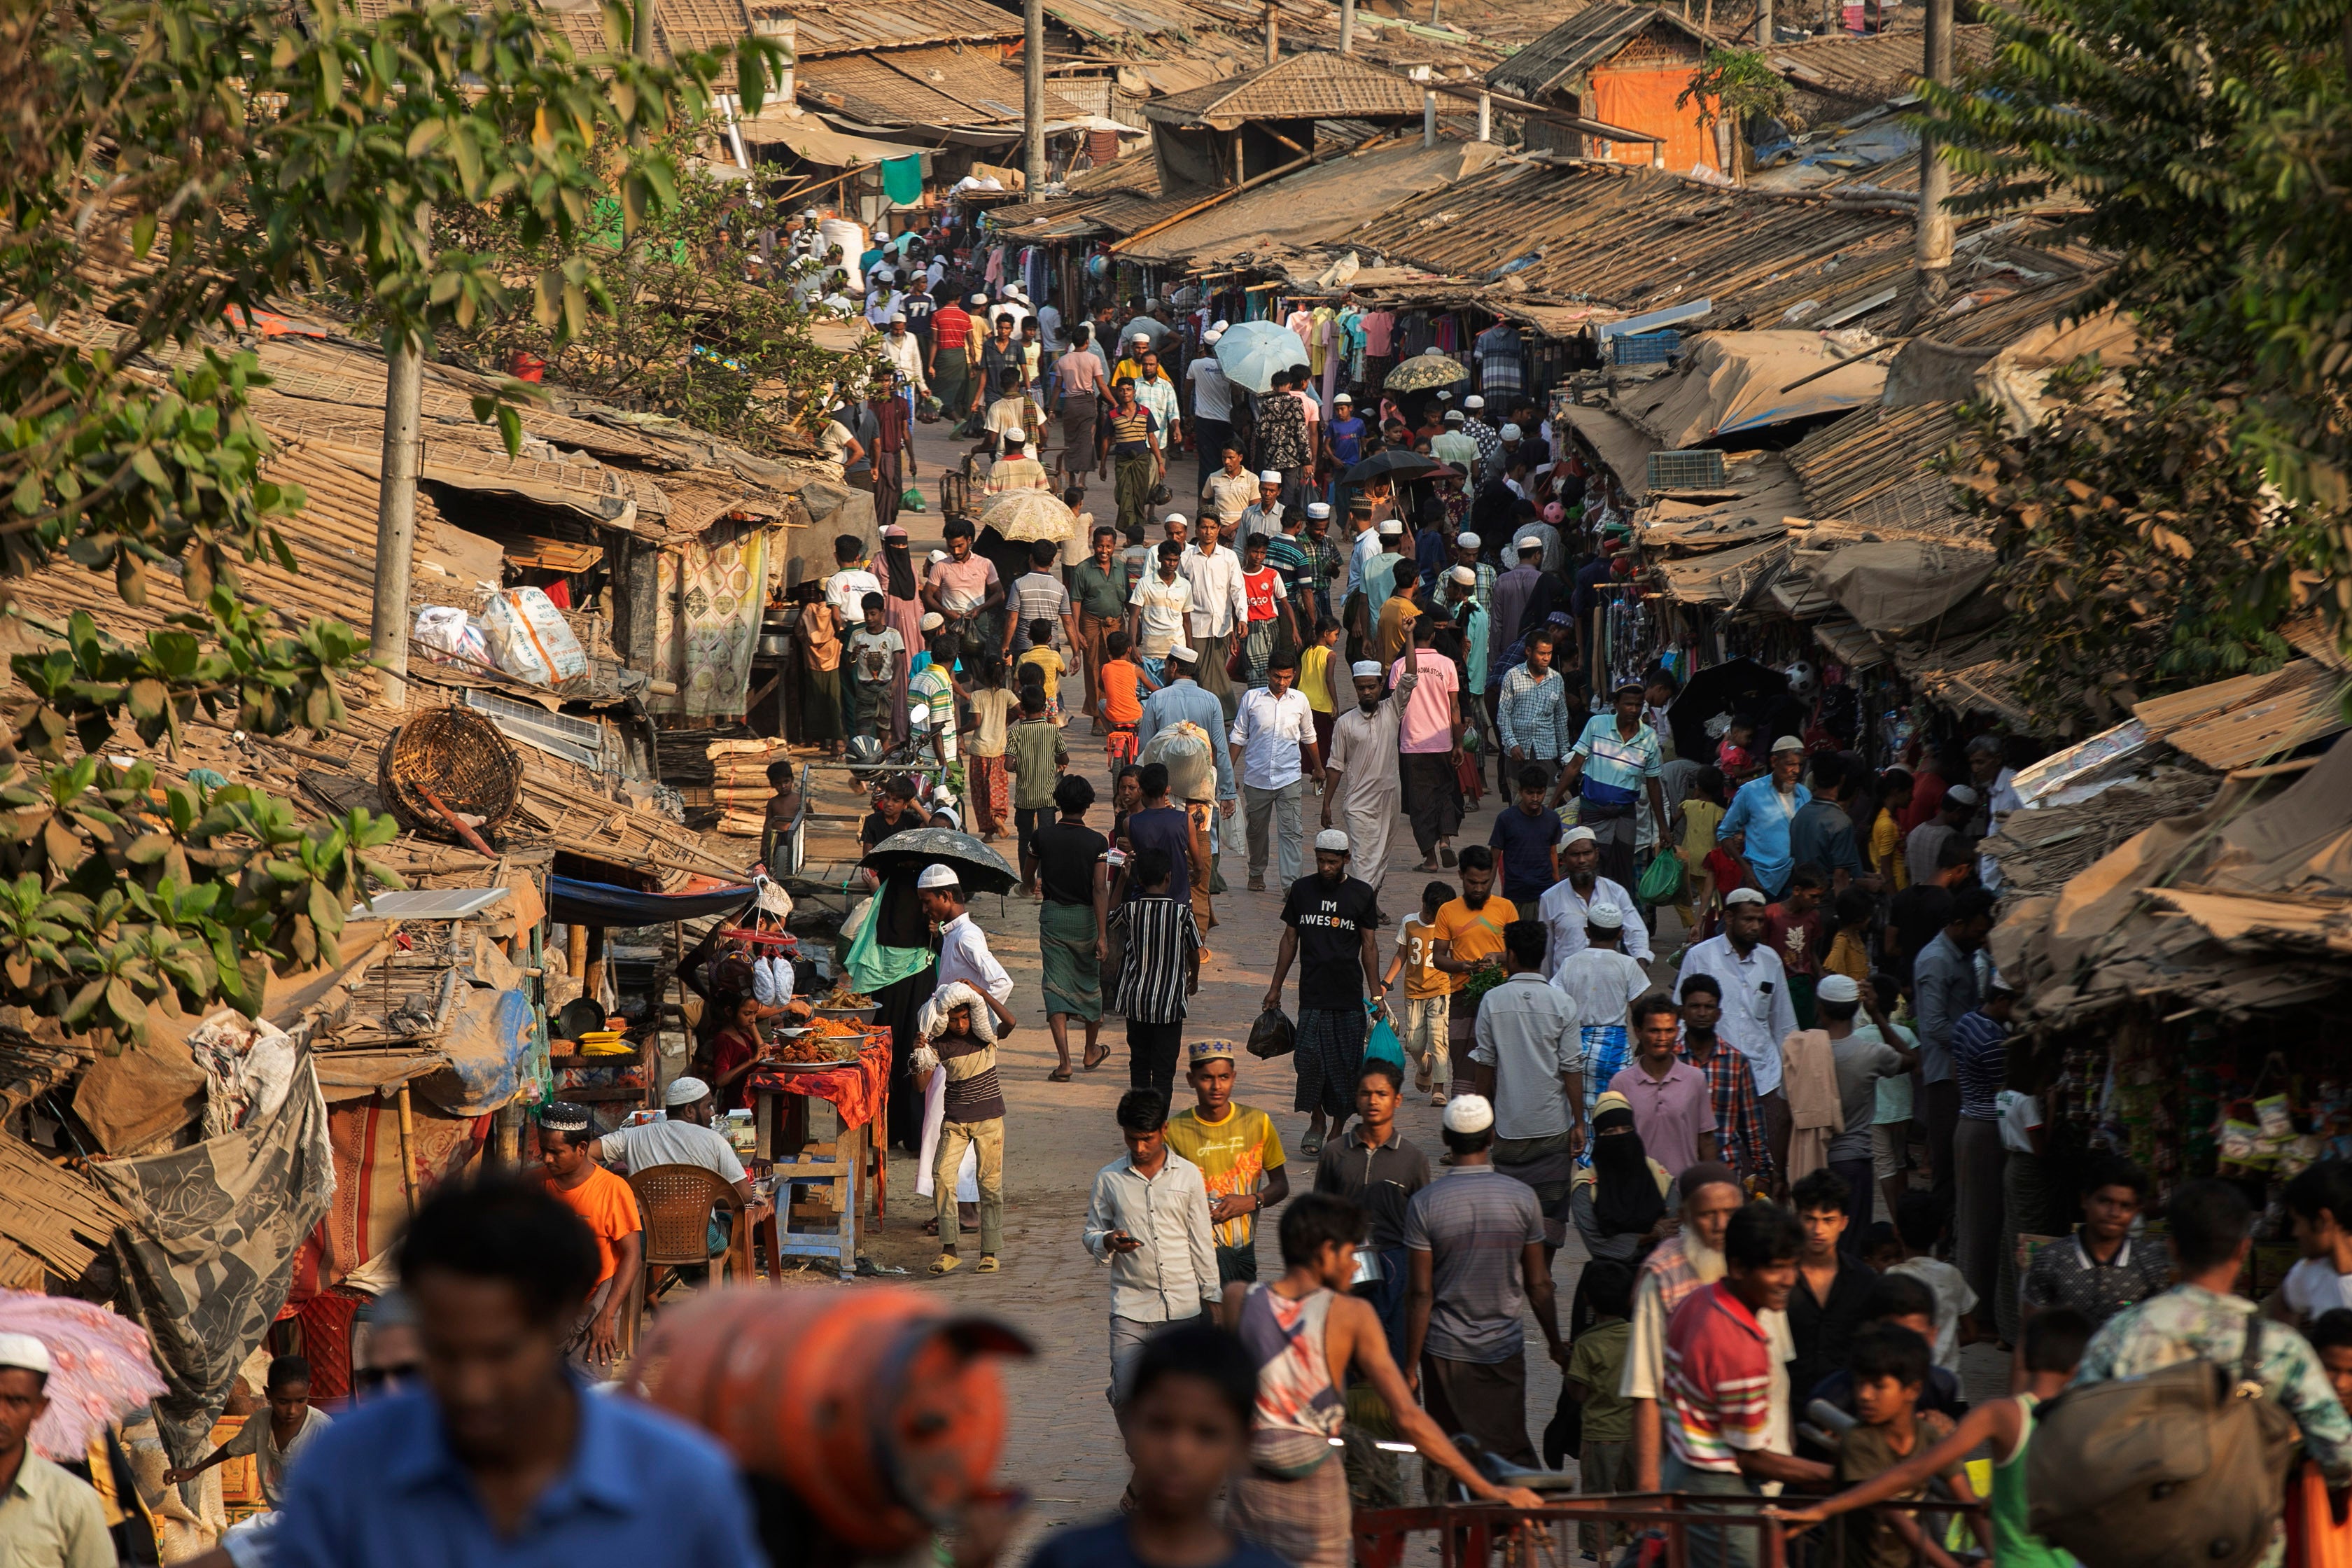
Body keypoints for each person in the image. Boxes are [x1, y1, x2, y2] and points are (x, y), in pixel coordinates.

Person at [270, 1178, 764, 1568]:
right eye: (444, 1354)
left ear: (562, 1321)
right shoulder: (346, 1470)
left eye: (500, 1355)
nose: (472, 1388)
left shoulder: (682, 1486)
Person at [1220, 1195, 1544, 1568]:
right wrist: (1489, 1489)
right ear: (1327, 1252)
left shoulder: (1238, 1299)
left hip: (1250, 1487)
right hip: (1313, 1488)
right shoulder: (1351, 1313)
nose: (1356, 1263)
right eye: (1351, 1252)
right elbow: (1407, 1416)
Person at [2073, 1179, 2352, 1561]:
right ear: (2243, 1249)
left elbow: (2078, 1439)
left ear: (2172, 1250)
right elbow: (2340, 1452)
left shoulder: (2119, 1335)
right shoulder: (2279, 1347)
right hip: (2246, 1546)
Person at [1774, 1306, 2092, 1568]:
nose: (1865, 1396)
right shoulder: (2085, 1425)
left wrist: (1825, 1508)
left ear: (2025, 1356)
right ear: (2078, 1367)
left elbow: (1917, 1475)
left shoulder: (2002, 1414)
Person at [1026, 1324, 1289, 1568]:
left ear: (1242, 1447)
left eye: (1207, 1433)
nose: (1179, 1452)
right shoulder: (1065, 1559)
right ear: (1130, 1426)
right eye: (1160, 1426)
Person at [1658, 1205, 1830, 1568]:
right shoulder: (1740, 1346)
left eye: (1791, 1265)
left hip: (1681, 1468)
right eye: (1775, 1268)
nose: (1789, 1279)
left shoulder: (1698, 1301)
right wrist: (1839, 1475)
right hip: (1716, 1491)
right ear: (1738, 1268)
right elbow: (1749, 1457)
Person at [1402, 1092, 1562, 1476]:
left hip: (1444, 1351)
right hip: (1503, 1348)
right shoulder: (1523, 1199)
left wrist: (1409, 1366)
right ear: (1492, 1138)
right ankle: (1503, 1531)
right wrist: (1556, 1344)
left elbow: (1421, 1294)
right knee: (1506, 1447)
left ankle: (1455, 1533)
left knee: (1449, 1453)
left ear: (1445, 1139)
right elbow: (1539, 1285)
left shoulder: (1426, 1204)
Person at [1087, 1090, 1221, 1406]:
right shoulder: (1108, 1179)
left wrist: (1214, 1300)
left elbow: (1201, 1242)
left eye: (1147, 1138)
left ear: (1164, 1130)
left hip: (1183, 1311)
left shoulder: (1188, 1176)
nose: (1139, 1147)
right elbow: (1092, 1231)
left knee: (1182, 1401)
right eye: (1132, 1139)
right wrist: (1107, 1241)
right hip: (1130, 1309)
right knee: (1125, 1395)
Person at [1622, 1164, 1747, 1493]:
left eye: (1730, 1213)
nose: (1721, 1226)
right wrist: (1649, 1486)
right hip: (1691, 1461)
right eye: (1709, 1214)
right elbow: (1646, 1386)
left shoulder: (1755, 1262)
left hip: (1758, 1460)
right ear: (1686, 1216)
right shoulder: (1662, 1275)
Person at [1823, 1324, 1987, 1568]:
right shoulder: (1859, 1441)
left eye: (1878, 1386)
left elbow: (1966, 1501)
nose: (1865, 1395)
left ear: (1913, 1390)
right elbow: (1896, 1518)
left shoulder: (1929, 1436)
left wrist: (1995, 1552)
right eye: (1861, 1384)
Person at [1265, 830, 1385, 1156]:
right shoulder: (1302, 890)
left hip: (1348, 996)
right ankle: (1317, 1120)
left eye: (1332, 862)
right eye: (1320, 861)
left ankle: (1335, 1129)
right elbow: (1290, 940)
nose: (1326, 867)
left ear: (1346, 859)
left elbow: (1369, 946)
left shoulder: (1362, 894)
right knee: (1307, 1060)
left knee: (1346, 1067)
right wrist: (1275, 987)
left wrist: (1376, 996)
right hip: (1312, 995)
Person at [1468, 919, 1584, 1249]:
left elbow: (1485, 1064)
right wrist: (1579, 1122)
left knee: (1510, 1218)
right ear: (1543, 955)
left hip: (1509, 1129)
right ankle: (1542, 1276)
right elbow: (1572, 1068)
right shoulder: (1563, 1004)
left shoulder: (1493, 1001)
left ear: (1512, 955)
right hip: (1554, 1129)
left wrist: (1482, 1116)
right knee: (1550, 1219)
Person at [1312, 1059, 1430, 1371]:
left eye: (1381, 1093)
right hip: (1345, 1268)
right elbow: (1319, 1216)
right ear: (1356, 1097)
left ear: (1397, 1099)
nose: (1373, 1101)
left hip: (1397, 1272)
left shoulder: (1413, 1160)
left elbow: (1422, 1230)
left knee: (1393, 1363)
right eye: (1365, 1093)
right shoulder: (1335, 1153)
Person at [1676, 888, 1798, 1182]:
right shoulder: (1700, 957)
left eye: (1759, 920)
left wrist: (1790, 1080)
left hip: (1765, 1076)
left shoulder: (1770, 960)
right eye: (1748, 920)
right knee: (1713, 1159)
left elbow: (1784, 1023)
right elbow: (1682, 1015)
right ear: (1728, 918)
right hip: (1714, 1077)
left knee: (1762, 1167)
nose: (1755, 926)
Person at [1166, 1041, 1290, 1285]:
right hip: (1192, 1252)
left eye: (1223, 1077)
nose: (1216, 1086)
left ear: (1233, 1077)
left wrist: (1251, 1201)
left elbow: (1281, 1185)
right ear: (1191, 1080)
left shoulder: (1257, 1122)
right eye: (1206, 1078)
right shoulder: (1174, 1131)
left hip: (1243, 1251)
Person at [533, 1102, 642, 1368]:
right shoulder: (532, 1185)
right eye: (544, 1151)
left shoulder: (612, 1189)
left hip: (595, 1305)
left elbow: (632, 1255)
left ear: (581, 1149)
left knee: (589, 1390)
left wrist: (607, 1314)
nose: (547, 1159)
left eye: (556, 1152)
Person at [1808, 972, 1910, 1244]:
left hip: (1811, 1160)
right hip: (1854, 1162)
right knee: (1851, 1245)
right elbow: (1912, 1060)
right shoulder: (1872, 1053)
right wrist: (1877, 1015)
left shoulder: (1801, 1050)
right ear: (1856, 1008)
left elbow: (1784, 1118)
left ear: (1820, 1007)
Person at [915, 985, 1007, 1277]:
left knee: (989, 1185)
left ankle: (989, 1253)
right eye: (954, 1020)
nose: (960, 1025)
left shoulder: (987, 1035)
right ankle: (949, 1250)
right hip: (954, 1122)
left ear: (973, 1015)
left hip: (989, 1121)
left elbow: (1011, 1022)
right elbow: (920, 1085)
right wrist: (921, 1052)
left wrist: (982, 992)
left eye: (965, 1018)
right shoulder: (940, 1044)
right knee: (941, 1176)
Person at [164, 1354, 332, 1513]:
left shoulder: (321, 1428)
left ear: (309, 1391)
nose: (292, 1410)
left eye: (300, 1401)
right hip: (281, 1515)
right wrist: (193, 1471)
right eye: (283, 1402)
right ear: (268, 1394)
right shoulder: (260, 1422)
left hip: (315, 1516)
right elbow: (231, 1448)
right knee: (235, 1538)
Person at [2020, 1156, 2173, 1329]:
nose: (2114, 1213)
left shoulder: (2150, 1265)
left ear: (2137, 1211)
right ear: (2085, 1200)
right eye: (2105, 1201)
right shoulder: (2049, 1260)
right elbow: (2029, 1339)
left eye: (2125, 1206)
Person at [1800, 1271, 1966, 1425]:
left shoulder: (1941, 1387)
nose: (1904, 1350)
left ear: (1932, 1336)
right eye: (1894, 1338)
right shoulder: (1832, 1399)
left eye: (1916, 1339)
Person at [1914, 887, 1994, 1208]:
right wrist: (1978, 1044)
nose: (1982, 938)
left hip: (1964, 1071)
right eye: (1978, 931)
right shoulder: (1936, 960)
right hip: (1947, 1076)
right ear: (1959, 924)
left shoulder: (1966, 955)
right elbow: (1934, 1026)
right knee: (1948, 1164)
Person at [1552, 680, 1669, 892]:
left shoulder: (1649, 738)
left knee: (1623, 870)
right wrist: (1551, 804)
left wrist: (1662, 827)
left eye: (1638, 704)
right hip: (1594, 811)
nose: (1633, 710)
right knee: (1590, 865)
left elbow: (1653, 784)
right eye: (1628, 704)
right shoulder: (1597, 725)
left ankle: (1614, 917)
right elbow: (1574, 766)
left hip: (1625, 813)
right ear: (1616, 704)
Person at [1109, 843, 1202, 1100]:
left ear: (1140, 878)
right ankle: (1157, 1125)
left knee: (1139, 1064)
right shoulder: (1182, 913)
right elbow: (1194, 951)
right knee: (1164, 1071)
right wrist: (1193, 976)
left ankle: (1140, 1121)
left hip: (1136, 1002)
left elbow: (1109, 916)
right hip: (1170, 1005)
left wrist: (1121, 880)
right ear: (1168, 877)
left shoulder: (1132, 909)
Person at [1320, 660, 1417, 908]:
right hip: (1359, 804)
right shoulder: (1345, 723)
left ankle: (1369, 905)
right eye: (1361, 688)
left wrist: (1409, 637)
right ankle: (1360, 910)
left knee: (1381, 857)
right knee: (1364, 859)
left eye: (1371, 687)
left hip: (1390, 799)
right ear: (1354, 687)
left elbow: (1410, 676)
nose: (1367, 692)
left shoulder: (1392, 709)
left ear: (1380, 685)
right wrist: (1326, 803)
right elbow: (1335, 765)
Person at [1782, 1168, 1879, 1412]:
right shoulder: (1777, 1278)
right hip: (1787, 1407)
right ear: (1797, 1219)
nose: (1818, 1231)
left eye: (1828, 1221)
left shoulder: (1864, 1281)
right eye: (1810, 1219)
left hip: (1847, 1411)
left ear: (1844, 1223)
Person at [1948, 971, 2016, 1316]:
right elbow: (2002, 1094)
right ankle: (1978, 1311)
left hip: (1967, 1122)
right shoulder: (1993, 1041)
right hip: (1986, 1132)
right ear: (2002, 1000)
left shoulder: (1966, 1022)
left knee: (1970, 1218)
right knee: (1984, 1225)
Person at [1228, 647, 1322, 891]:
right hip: (1257, 779)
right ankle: (1256, 872)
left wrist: (1319, 767)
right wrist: (1228, 772)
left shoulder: (1300, 701)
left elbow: (1308, 735)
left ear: (1294, 675)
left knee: (1292, 832)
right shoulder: (1251, 699)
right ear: (1268, 673)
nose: (1282, 682)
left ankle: (1292, 886)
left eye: (1287, 677)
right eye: (1277, 677)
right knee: (1256, 832)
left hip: (1289, 778)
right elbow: (1239, 736)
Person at [1564, 1260, 1639, 1561]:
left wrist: (1570, 1366)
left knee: (1598, 1501)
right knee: (1637, 1501)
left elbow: (1579, 1392)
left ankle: (1602, 1557)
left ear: (1587, 1300)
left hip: (1600, 1436)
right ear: (1631, 1298)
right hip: (1636, 1435)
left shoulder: (1587, 1343)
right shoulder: (1641, 1334)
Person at [1676, 974, 1774, 1194]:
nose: (1702, 1013)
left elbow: (1752, 1125)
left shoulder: (1736, 1063)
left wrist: (1763, 1172)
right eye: (1695, 1006)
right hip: (1676, 1175)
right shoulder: (1670, 1060)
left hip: (1724, 1172)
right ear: (1682, 1012)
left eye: (1709, 1007)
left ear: (1718, 1013)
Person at [1429, 846, 1516, 1088]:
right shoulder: (1448, 911)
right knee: (1464, 1063)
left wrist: (1497, 959)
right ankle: (1467, 1121)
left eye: (1484, 883)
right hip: (1463, 997)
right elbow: (1438, 957)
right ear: (1460, 876)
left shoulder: (1506, 908)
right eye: (1472, 882)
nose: (1478, 889)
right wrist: (1463, 966)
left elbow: (1517, 955)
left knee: (1503, 1063)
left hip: (1500, 995)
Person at [1608, 994, 1716, 1178]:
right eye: (1654, 1031)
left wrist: (1711, 1185)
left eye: (1669, 1030)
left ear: (1676, 1031)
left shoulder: (1695, 1079)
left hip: (1684, 1192)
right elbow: (1612, 1145)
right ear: (1638, 1032)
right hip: (1638, 1192)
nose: (1662, 1038)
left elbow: (1706, 1140)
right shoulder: (1621, 1084)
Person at [1886, 1191, 1979, 1375]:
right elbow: (1971, 1333)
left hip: (1909, 1384)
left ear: (1896, 1231)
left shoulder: (1893, 1276)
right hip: (1950, 1388)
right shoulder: (1953, 1275)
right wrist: (1944, 1346)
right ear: (1942, 1232)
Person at [1537, 825, 1652, 971]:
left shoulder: (1616, 892)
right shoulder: (1550, 898)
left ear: (1596, 855)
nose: (1582, 860)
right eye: (1575, 855)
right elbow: (1547, 949)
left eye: (1587, 853)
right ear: (1564, 859)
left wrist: (1641, 961)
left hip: (1609, 978)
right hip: (1566, 985)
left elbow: (1636, 931)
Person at [1383, 881, 1455, 1105]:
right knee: (1413, 1042)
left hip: (1441, 990)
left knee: (1439, 1039)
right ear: (1422, 903)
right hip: (1414, 993)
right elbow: (1401, 954)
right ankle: (1425, 1066)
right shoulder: (1409, 923)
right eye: (1430, 913)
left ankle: (1439, 1088)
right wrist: (1386, 982)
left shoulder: (1449, 925)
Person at [1717, 736, 1812, 899]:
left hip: (1793, 883)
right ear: (1774, 762)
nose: (1796, 770)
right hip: (1759, 879)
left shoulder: (1805, 794)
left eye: (1800, 765)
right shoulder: (1751, 792)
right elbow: (1725, 833)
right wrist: (1745, 868)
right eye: (1790, 764)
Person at [1180, 517, 1250, 722]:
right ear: (1197, 529)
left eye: (1212, 528)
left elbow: (1237, 589)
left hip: (1222, 626)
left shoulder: (1229, 557)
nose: (1208, 532)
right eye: (1204, 527)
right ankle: (1220, 712)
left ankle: (1210, 714)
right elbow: (1180, 591)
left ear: (1219, 529)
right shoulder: (1186, 558)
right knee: (1200, 671)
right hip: (1196, 625)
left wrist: (1242, 619)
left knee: (1217, 669)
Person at [1005, 685, 1069, 895]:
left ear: (1022, 707)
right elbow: (1064, 758)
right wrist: (1054, 759)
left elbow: (1008, 764)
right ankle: (1043, 883)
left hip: (1024, 797)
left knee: (1025, 840)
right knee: (1047, 841)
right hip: (1047, 797)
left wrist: (1020, 766)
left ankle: (1027, 884)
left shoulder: (1016, 732)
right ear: (1044, 706)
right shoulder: (1052, 731)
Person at [2272, 1163, 2352, 1326]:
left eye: (2298, 1222)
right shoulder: (2309, 1272)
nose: (2295, 1233)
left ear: (2323, 1220)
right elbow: (2283, 1304)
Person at [1072, 526, 1128, 728]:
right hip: (1091, 624)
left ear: (1115, 546)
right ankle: (1097, 716)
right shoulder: (1082, 569)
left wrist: (1133, 631)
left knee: (1118, 669)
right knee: (1094, 668)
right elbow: (1076, 601)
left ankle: (1118, 713)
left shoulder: (1121, 567)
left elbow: (1128, 599)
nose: (1104, 551)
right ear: (1093, 545)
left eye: (1109, 546)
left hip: (1117, 624)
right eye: (1100, 546)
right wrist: (1076, 632)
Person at [1763, 864, 1828, 1027]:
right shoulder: (1771, 914)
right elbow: (1762, 950)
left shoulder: (1813, 916)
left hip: (1804, 984)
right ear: (1797, 890)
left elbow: (1811, 950)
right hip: (1778, 981)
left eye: (1820, 897)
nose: (1817, 902)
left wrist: (1820, 972)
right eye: (1813, 896)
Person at [1488, 766, 1563, 904]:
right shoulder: (1506, 819)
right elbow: (1494, 859)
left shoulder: (1552, 819)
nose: (1535, 798)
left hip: (1545, 893)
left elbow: (1553, 852)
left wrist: (1556, 881)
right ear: (1521, 792)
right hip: (1515, 893)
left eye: (1540, 793)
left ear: (1545, 792)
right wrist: (1486, 891)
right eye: (1530, 793)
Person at [1104, 377, 1163, 539]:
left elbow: (1152, 439)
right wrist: (1102, 465)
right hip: (1122, 460)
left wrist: (1160, 463)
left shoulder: (1145, 412)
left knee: (1139, 496)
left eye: (1128, 390)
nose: (1125, 393)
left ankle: (1137, 536)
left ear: (1134, 392)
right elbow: (1107, 440)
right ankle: (1130, 533)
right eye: (1122, 390)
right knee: (1124, 496)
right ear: (1118, 392)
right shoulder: (1113, 415)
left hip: (1141, 460)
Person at [845, 591, 906, 739]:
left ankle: (882, 758)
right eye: (866, 614)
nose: (869, 618)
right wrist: (854, 655)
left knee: (884, 727)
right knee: (863, 727)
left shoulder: (893, 635)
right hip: (864, 688)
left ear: (882, 612)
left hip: (885, 687)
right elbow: (849, 666)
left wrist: (896, 682)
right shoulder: (857, 635)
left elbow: (899, 662)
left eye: (873, 614)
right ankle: (866, 756)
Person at [1905, 783, 1980, 888]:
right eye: (1969, 816)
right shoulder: (1953, 841)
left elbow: (1908, 872)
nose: (1969, 821)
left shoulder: (1915, 832)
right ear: (1958, 812)